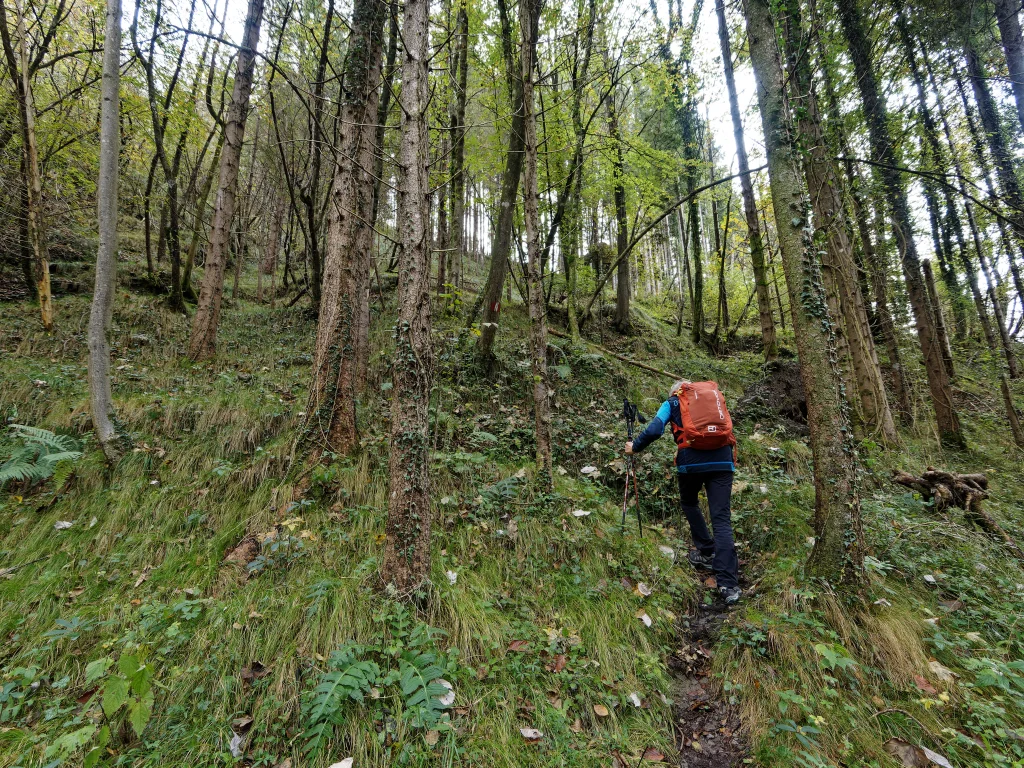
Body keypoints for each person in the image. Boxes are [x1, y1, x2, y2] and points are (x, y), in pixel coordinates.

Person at [625, 380, 741, 604]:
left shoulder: (673, 401)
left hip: (691, 461)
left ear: (676, 391)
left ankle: (707, 551)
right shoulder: (714, 398)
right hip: (723, 461)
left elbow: (655, 429)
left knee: (689, 502)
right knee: (721, 519)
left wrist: (635, 447)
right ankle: (729, 585)